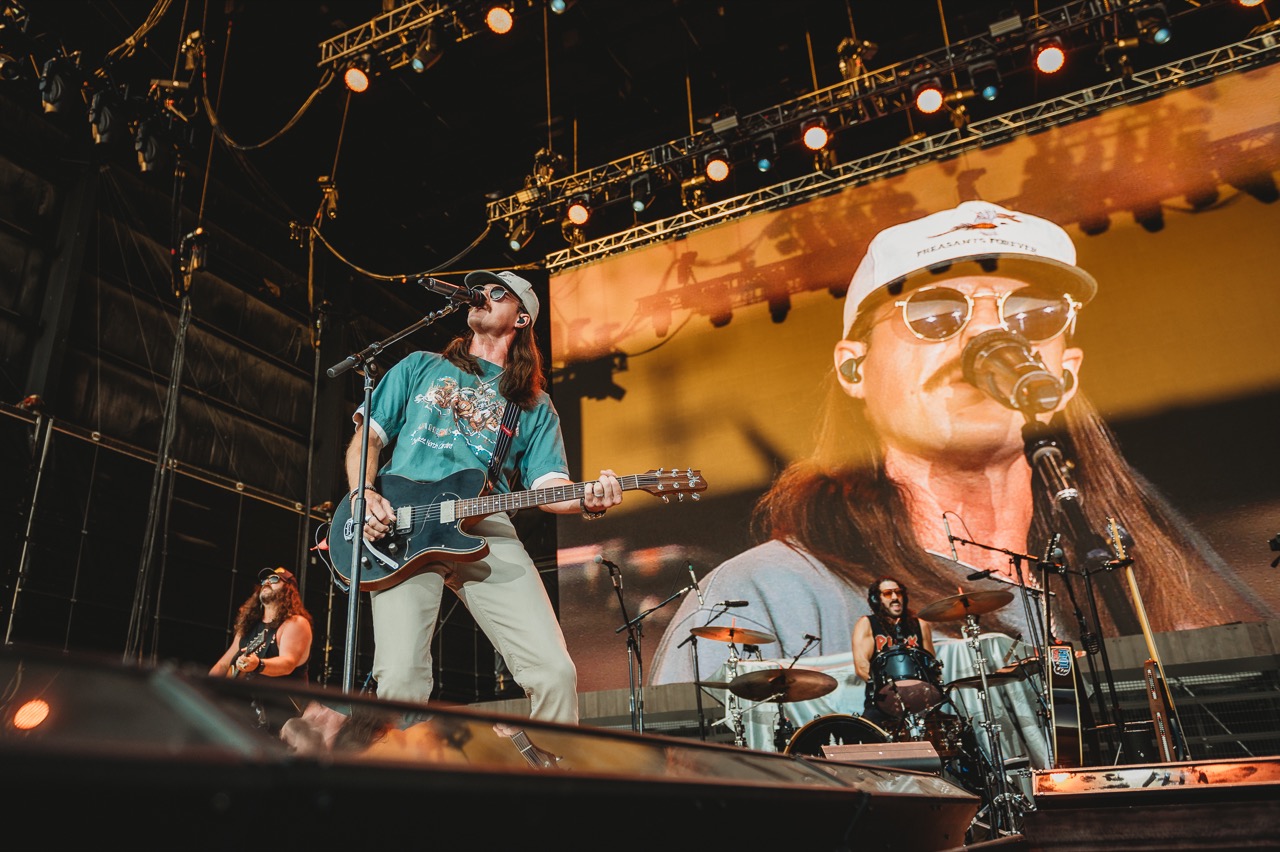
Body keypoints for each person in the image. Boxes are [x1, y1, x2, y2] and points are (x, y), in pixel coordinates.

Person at [650, 199, 1267, 687]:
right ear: (854, 367)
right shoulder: (761, 596)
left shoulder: (1142, 586)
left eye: (1032, 314)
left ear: (1066, 372)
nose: (987, 338)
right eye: (936, 313)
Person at [348, 270, 623, 725]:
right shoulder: (420, 366)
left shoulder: (533, 403)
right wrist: (363, 493)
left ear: (521, 318)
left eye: (498, 292)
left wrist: (587, 499)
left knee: (554, 672)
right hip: (401, 523)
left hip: (483, 522)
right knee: (398, 678)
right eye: (481, 289)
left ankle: (552, 764)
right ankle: (403, 764)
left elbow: (548, 488)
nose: (483, 295)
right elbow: (368, 439)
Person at [852, 576, 937, 731]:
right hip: (882, 701)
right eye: (887, 593)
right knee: (865, 732)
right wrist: (891, 691)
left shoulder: (921, 625)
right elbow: (861, 667)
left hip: (919, 700)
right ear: (876, 599)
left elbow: (931, 665)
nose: (894, 597)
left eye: (898, 592)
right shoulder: (867, 623)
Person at [209, 566, 313, 681]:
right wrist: (205, 686)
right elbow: (223, 664)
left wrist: (258, 665)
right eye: (265, 580)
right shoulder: (248, 625)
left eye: (274, 579)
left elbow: (287, 664)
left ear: (288, 589)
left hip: (281, 692)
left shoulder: (295, 623)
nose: (267, 582)